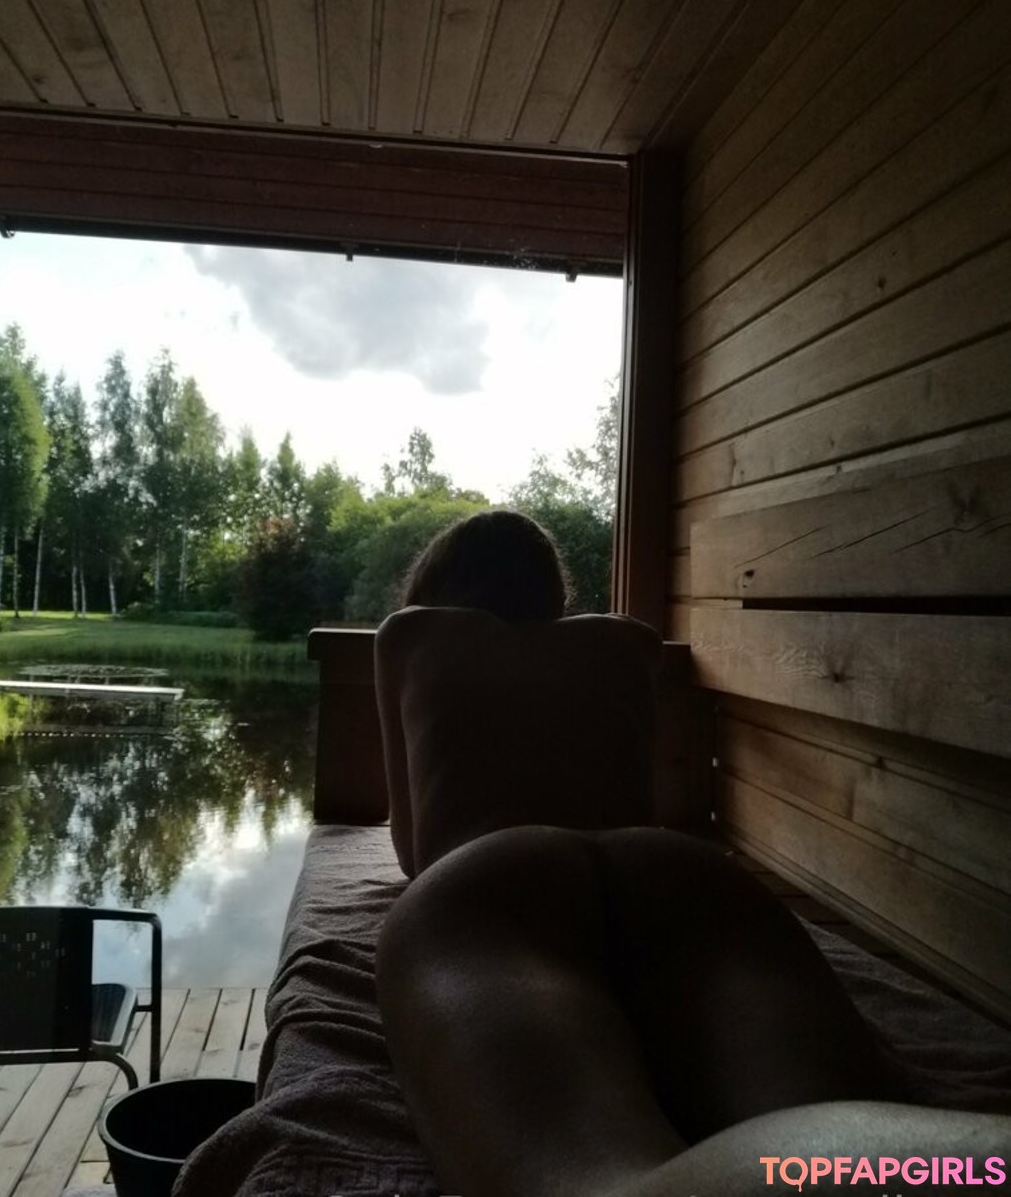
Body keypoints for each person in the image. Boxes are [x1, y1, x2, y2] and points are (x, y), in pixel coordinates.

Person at [373, 510, 1010, 1197]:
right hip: (674, 869)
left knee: (585, 1179)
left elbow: (413, 851)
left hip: (490, 878)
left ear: (434, 585)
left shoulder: (410, 633)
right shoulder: (628, 641)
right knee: (844, 1132)